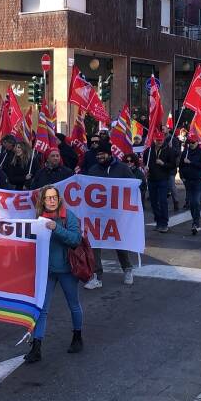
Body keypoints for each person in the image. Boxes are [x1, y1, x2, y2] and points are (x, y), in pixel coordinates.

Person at [25, 184, 84, 364]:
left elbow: (76, 239)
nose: (51, 201)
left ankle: (77, 336)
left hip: (67, 270)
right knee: (42, 310)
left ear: (59, 199)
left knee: (73, 304)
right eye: (47, 198)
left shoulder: (68, 216)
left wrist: (55, 228)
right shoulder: (38, 218)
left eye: (54, 198)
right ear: (42, 201)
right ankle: (36, 346)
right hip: (47, 271)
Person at [85, 143, 137, 287]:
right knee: (94, 243)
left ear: (109, 154)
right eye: (97, 154)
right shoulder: (93, 170)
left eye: (102, 153)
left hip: (117, 214)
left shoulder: (122, 168)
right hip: (97, 214)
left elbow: (137, 185)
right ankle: (97, 276)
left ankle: (127, 269)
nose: (99, 156)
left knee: (119, 242)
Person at [145, 132, 178, 233]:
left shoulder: (169, 150)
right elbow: (145, 162)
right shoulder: (149, 150)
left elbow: (173, 165)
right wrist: (145, 168)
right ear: (154, 139)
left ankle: (164, 223)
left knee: (163, 201)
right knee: (154, 202)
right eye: (157, 140)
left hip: (163, 179)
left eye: (161, 140)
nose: (159, 142)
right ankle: (158, 221)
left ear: (163, 140)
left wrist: (163, 164)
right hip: (151, 179)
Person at [178, 133, 201, 235]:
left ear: (197, 143)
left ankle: (196, 222)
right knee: (191, 202)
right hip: (188, 180)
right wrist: (182, 177)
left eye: (193, 142)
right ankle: (195, 221)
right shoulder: (185, 152)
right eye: (189, 143)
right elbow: (180, 165)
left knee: (196, 201)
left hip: (198, 180)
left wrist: (190, 162)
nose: (191, 144)